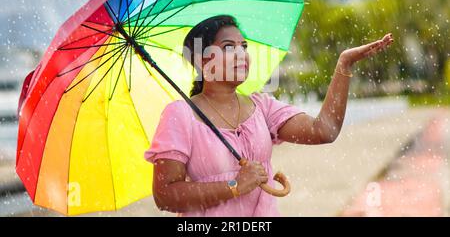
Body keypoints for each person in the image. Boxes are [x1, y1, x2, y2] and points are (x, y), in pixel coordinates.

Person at [144, 15, 394, 216]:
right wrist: (234, 186)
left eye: (244, 47)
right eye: (229, 47)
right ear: (202, 60)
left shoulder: (261, 106)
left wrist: (343, 66)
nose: (241, 54)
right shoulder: (180, 115)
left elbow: (324, 130)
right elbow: (165, 195)